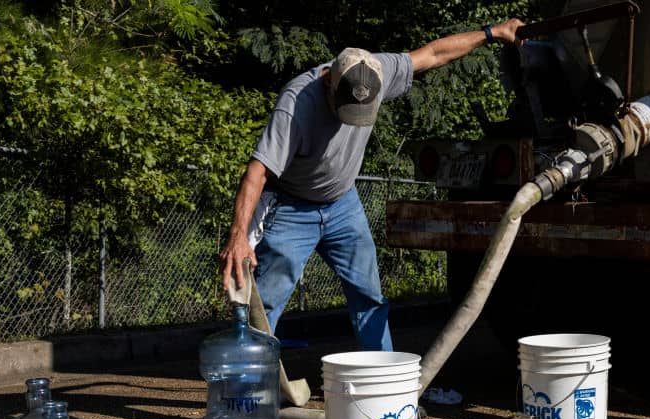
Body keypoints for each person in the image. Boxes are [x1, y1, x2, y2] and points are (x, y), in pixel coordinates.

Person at [219, 19, 525, 351]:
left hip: (342, 205)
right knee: (265, 303)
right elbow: (256, 172)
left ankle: (386, 386)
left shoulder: (377, 69)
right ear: (328, 84)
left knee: (370, 297)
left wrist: (493, 33)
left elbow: (435, 53)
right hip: (293, 207)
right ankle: (248, 388)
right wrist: (238, 238)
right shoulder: (296, 104)